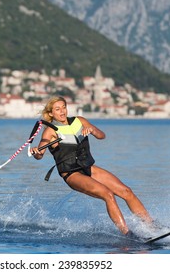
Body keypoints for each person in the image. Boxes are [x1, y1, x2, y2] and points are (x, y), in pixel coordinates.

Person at [30, 96, 153, 237]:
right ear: (51, 113)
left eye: (64, 107)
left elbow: (102, 135)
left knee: (127, 191)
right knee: (108, 194)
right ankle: (127, 234)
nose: (62, 111)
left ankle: (152, 225)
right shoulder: (50, 131)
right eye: (57, 109)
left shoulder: (79, 121)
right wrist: (36, 152)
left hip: (88, 168)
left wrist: (92, 130)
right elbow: (40, 154)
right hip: (72, 174)